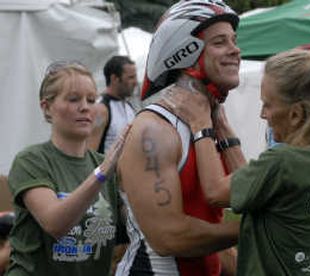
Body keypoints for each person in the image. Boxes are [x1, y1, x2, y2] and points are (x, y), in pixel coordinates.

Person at [166, 48, 310, 275]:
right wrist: (223, 128)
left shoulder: (286, 161)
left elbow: (216, 192)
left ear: (297, 114)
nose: (263, 114)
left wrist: (200, 124)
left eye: (268, 104)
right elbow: (254, 186)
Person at [115, 1, 244, 275]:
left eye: (233, 40)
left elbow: (249, 193)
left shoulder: (209, 125)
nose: (236, 50)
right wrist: (253, 229)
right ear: (184, 53)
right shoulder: (155, 129)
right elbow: (169, 237)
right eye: (220, 42)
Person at [5, 61, 131, 275]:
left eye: (91, 100)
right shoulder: (31, 160)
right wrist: (102, 173)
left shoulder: (105, 165)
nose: (85, 107)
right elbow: (55, 223)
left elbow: (131, 227)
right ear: (46, 107)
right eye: (74, 99)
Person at [88, 55, 137, 154]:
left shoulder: (129, 107)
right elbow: (90, 153)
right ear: (114, 78)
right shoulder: (101, 110)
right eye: (130, 77)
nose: (135, 82)